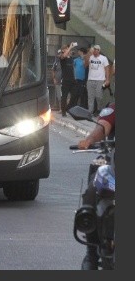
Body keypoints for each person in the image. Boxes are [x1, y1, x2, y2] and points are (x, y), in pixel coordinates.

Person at [76, 102, 115, 270]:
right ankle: (91, 254)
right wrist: (90, 140)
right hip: (115, 163)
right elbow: (103, 126)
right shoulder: (115, 107)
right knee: (93, 188)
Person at [54, 42, 77, 117]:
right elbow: (63, 56)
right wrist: (70, 47)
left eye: (68, 49)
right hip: (65, 80)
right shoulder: (61, 57)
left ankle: (67, 109)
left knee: (74, 96)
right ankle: (63, 111)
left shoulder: (71, 58)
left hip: (72, 80)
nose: (68, 50)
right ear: (63, 50)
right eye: (66, 49)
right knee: (64, 96)